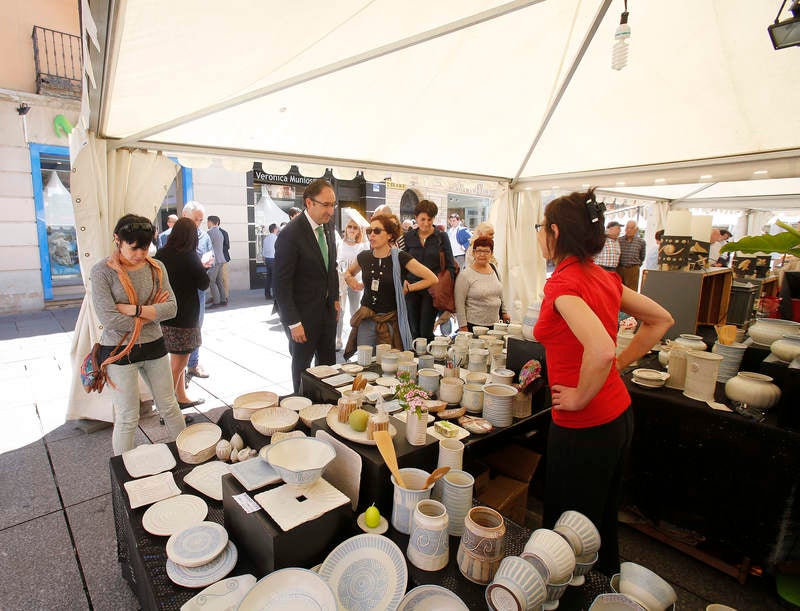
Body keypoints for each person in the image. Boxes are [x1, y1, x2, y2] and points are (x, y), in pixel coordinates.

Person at [533, 189, 673, 576]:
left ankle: (569, 595)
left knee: (567, 533)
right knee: (599, 521)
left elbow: (600, 350)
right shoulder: (602, 277)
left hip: (585, 425)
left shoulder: (563, 285)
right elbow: (661, 319)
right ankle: (603, 590)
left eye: (541, 227)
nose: (539, 234)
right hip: (616, 416)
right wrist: (618, 366)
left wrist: (579, 396)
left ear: (555, 232)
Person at [91, 214, 186, 455]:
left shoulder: (157, 267)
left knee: (169, 406)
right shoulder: (102, 271)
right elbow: (108, 318)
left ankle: (189, 455)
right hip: (118, 351)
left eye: (145, 248)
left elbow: (172, 308)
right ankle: (125, 473)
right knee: (127, 416)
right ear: (117, 240)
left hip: (154, 346)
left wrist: (135, 311)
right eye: (134, 248)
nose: (140, 254)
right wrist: (153, 311)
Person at [274, 179, 340, 393]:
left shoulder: (327, 226)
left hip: (327, 313)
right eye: (326, 205)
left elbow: (331, 267)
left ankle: (327, 406)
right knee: (303, 368)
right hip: (302, 317)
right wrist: (293, 322)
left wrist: (336, 298)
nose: (331, 211)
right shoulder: (290, 234)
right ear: (309, 203)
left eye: (333, 205)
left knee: (328, 366)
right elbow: (281, 284)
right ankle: (302, 408)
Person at [343, 213, 437, 354]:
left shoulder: (400, 257)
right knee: (364, 361)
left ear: (389, 235)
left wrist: (409, 287)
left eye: (377, 231)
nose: (371, 235)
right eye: (369, 231)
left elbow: (432, 278)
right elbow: (348, 272)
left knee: (387, 365)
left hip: (390, 320)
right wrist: (350, 280)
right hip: (366, 318)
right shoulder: (364, 256)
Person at [155, 218, 210, 409]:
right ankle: (166, 406)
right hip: (185, 316)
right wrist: (204, 267)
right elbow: (203, 283)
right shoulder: (189, 256)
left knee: (175, 359)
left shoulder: (161, 254)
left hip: (165, 315)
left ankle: (181, 396)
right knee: (179, 364)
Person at [402, 199, 457, 341]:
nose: (426, 223)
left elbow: (451, 265)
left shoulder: (441, 237)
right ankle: (414, 360)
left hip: (432, 290)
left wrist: (442, 284)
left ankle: (427, 359)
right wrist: (404, 282)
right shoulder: (408, 237)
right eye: (422, 219)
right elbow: (402, 263)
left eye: (429, 219)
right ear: (416, 218)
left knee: (426, 330)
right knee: (413, 329)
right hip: (412, 288)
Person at [182, 201, 214, 378]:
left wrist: (207, 263)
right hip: (178, 293)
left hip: (198, 291)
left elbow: (212, 256)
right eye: (195, 219)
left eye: (201, 220)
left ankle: (193, 363)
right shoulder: (168, 237)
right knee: (178, 331)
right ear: (184, 216)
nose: (198, 224)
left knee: (196, 327)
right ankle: (177, 368)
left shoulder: (204, 237)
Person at [454, 236, 509, 332]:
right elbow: (459, 303)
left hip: (495, 324)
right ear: (473, 253)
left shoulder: (494, 269)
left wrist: (504, 312)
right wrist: (463, 326)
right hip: (473, 326)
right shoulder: (465, 275)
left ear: (491, 253)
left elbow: (500, 294)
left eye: (486, 251)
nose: (482, 254)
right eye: (479, 251)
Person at [336, 218, 369, 350]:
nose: (352, 230)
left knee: (354, 311)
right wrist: (344, 273)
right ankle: (338, 338)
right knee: (340, 311)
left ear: (359, 231)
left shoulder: (362, 245)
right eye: (350, 226)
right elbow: (337, 262)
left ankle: (354, 338)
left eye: (355, 227)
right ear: (345, 228)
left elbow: (366, 258)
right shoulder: (339, 243)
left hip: (356, 282)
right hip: (341, 282)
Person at [617, 221, 646, 291]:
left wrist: (636, 265)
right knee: (619, 289)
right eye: (627, 228)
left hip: (633, 268)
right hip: (620, 268)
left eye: (632, 228)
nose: (629, 230)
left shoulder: (641, 242)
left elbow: (642, 256)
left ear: (636, 229)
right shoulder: (619, 240)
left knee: (632, 290)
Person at [206, 215, 227, 308]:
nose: (207, 224)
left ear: (211, 222)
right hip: (221, 259)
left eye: (207, 222)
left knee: (211, 281)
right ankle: (223, 300)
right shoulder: (220, 232)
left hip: (214, 260)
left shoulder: (209, 233)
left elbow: (207, 247)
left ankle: (216, 302)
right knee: (219, 281)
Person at [262, 223, 279, 299]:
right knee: (275, 278)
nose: (278, 229)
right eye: (277, 228)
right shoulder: (276, 238)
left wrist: (264, 259)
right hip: (274, 259)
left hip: (267, 259)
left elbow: (264, 250)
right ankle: (275, 296)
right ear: (275, 229)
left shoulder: (266, 238)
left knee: (268, 278)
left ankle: (267, 294)